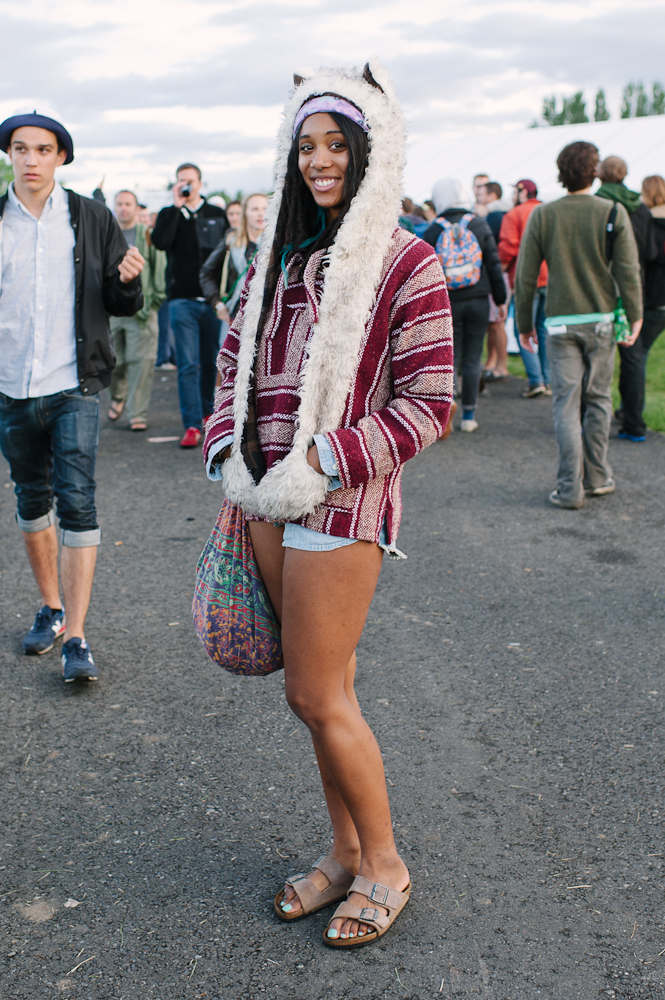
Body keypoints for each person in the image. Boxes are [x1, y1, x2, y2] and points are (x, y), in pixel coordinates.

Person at [203, 63, 453, 948]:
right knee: (315, 696)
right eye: (306, 146)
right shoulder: (280, 257)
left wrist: (323, 458)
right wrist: (226, 446)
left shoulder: (407, 258)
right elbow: (235, 356)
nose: (320, 160)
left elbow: (430, 402)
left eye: (337, 144)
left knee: (317, 689)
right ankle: (343, 850)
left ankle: (385, 862)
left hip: (342, 504)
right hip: (264, 496)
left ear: (369, 151)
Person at [0, 113, 144, 680]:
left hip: (74, 384)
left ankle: (77, 637)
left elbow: (119, 302)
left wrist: (128, 281)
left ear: (61, 157)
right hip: (10, 385)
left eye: (43, 150)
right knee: (31, 500)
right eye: (20, 149)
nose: (31, 160)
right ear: (9, 155)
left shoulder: (90, 217)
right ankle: (52, 607)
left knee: (78, 502)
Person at [515, 141, 642, 509]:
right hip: (601, 320)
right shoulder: (612, 211)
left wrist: (524, 323)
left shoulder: (543, 214)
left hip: (558, 324)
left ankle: (570, 488)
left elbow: (526, 277)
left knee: (566, 405)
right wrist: (634, 315)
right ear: (595, 170)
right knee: (599, 400)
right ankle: (599, 477)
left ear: (561, 171)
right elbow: (628, 271)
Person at [151, 163, 228, 448]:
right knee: (187, 364)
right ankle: (192, 424)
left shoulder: (215, 214)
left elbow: (224, 251)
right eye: (181, 181)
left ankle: (208, 412)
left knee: (210, 361)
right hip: (181, 299)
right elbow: (160, 243)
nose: (186, 186)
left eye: (191, 181)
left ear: (200, 183)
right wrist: (175, 207)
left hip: (211, 300)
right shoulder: (169, 214)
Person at [422, 178, 506, 432]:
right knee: (472, 357)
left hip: (448, 303)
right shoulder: (478, 224)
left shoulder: (434, 230)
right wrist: (500, 300)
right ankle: (469, 416)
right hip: (479, 300)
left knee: (450, 357)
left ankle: (449, 407)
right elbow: (493, 263)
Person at [107, 190, 166, 430]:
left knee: (140, 363)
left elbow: (159, 266)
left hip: (142, 310)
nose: (123, 208)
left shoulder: (147, 234)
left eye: (127, 204)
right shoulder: (108, 233)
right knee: (114, 361)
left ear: (135, 207)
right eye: (119, 204)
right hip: (111, 310)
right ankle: (118, 396)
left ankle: (137, 413)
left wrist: (154, 301)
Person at [615, 175, 665, 441]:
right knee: (637, 358)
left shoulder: (646, 219)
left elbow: (640, 258)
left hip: (650, 298)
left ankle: (633, 421)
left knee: (634, 359)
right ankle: (628, 412)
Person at [498, 179, 551, 397]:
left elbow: (508, 247)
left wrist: (498, 267)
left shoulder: (515, 214)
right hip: (549, 276)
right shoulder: (548, 211)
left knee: (523, 329)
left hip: (525, 278)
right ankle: (547, 380)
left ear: (523, 192)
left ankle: (536, 381)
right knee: (543, 329)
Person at [199, 193, 268, 324]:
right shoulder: (231, 240)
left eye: (265, 208)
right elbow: (206, 272)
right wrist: (217, 304)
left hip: (266, 316)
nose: (261, 213)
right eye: (255, 209)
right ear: (245, 213)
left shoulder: (278, 243)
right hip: (236, 314)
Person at [482, 182, 512, 382]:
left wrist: (498, 268)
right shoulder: (506, 214)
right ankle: (493, 362)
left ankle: (501, 365)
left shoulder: (494, 217)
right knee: (494, 323)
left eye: (482, 192)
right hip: (501, 275)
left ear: (492, 195)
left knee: (497, 323)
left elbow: (498, 248)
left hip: (498, 275)